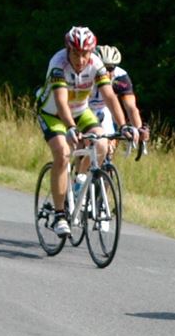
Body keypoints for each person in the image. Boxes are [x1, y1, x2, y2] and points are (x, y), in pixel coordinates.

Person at [35, 26, 136, 236]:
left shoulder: (96, 64)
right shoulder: (58, 64)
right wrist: (71, 127)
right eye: (76, 54)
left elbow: (109, 96)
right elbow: (61, 101)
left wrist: (124, 125)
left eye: (85, 54)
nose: (81, 60)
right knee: (63, 153)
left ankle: (79, 183)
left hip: (81, 111)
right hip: (53, 113)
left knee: (102, 144)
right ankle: (59, 215)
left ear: (91, 52)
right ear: (68, 50)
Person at [89, 44, 149, 154]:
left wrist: (138, 129)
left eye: (110, 68)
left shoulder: (120, 77)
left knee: (109, 148)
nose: (106, 73)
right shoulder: (85, 73)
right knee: (83, 144)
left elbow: (131, 107)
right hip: (82, 108)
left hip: (103, 110)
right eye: (103, 68)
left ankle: (106, 163)